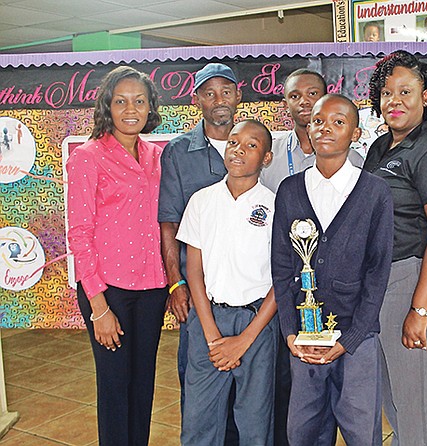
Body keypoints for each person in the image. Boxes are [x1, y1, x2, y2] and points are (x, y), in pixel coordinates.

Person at [272, 94, 394, 446]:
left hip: (357, 339)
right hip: (304, 340)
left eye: (338, 122)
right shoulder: (290, 190)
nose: (326, 128)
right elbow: (281, 267)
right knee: (304, 430)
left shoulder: (374, 192)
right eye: (318, 121)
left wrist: (352, 338)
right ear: (308, 130)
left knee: (360, 429)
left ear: (355, 134)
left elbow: (377, 271)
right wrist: (290, 331)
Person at [363, 50, 427, 446]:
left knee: (413, 397)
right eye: (387, 93)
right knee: (391, 390)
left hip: (415, 277)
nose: (395, 101)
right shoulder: (380, 148)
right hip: (382, 280)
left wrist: (419, 310)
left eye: (406, 91)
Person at [66, 66, 166, 445]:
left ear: (149, 107)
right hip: (108, 291)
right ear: (108, 106)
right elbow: (78, 234)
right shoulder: (88, 158)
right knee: (114, 387)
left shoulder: (157, 156)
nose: (130, 108)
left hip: (152, 288)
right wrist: (99, 307)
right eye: (121, 101)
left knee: (143, 384)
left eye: (139, 101)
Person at [177, 120, 277, 445]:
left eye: (251, 145)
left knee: (254, 424)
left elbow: (282, 280)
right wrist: (211, 335)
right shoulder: (202, 201)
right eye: (234, 142)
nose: (239, 150)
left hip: (257, 322)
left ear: (266, 158)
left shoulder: (276, 206)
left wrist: (245, 339)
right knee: (197, 423)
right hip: (208, 320)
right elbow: (194, 271)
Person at [158, 62, 241, 443]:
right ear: (197, 101)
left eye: (226, 91)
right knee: (200, 386)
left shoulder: (257, 142)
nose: (218, 99)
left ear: (239, 95)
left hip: (247, 292)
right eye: (209, 93)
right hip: (199, 291)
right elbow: (169, 224)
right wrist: (176, 283)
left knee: (247, 393)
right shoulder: (178, 152)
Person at [261, 69, 363, 193]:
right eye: (295, 96)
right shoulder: (268, 154)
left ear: (326, 98)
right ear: (285, 105)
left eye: (312, 93)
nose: (304, 102)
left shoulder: (352, 160)